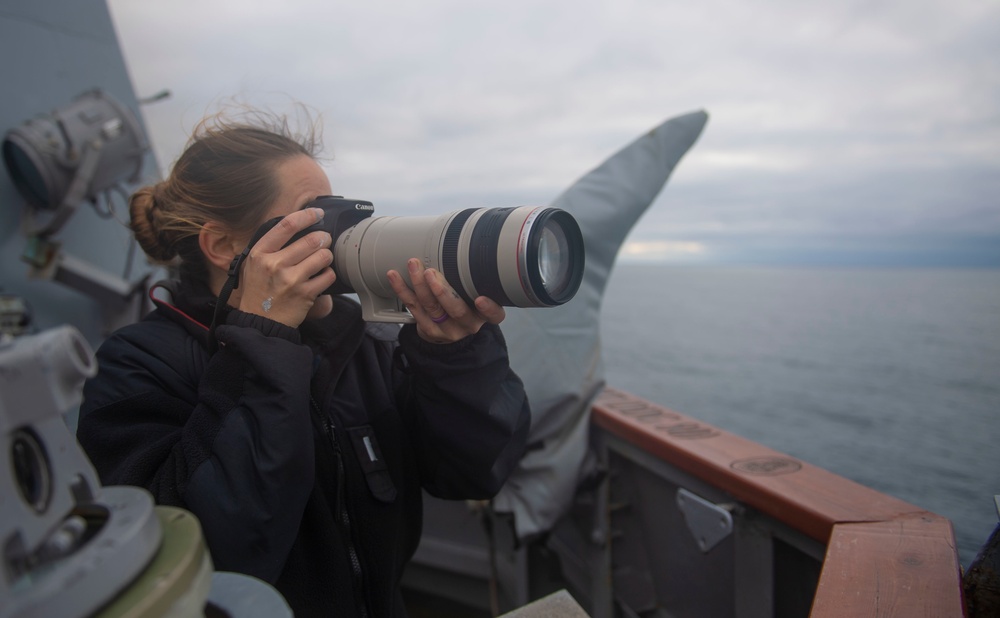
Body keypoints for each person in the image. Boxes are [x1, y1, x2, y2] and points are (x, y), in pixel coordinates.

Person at [76, 108, 531, 617]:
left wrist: (455, 356)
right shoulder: (136, 365)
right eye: (315, 218)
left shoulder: (364, 346)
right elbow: (215, 553)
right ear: (225, 247)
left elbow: (472, 475)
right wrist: (260, 344)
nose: (338, 238)